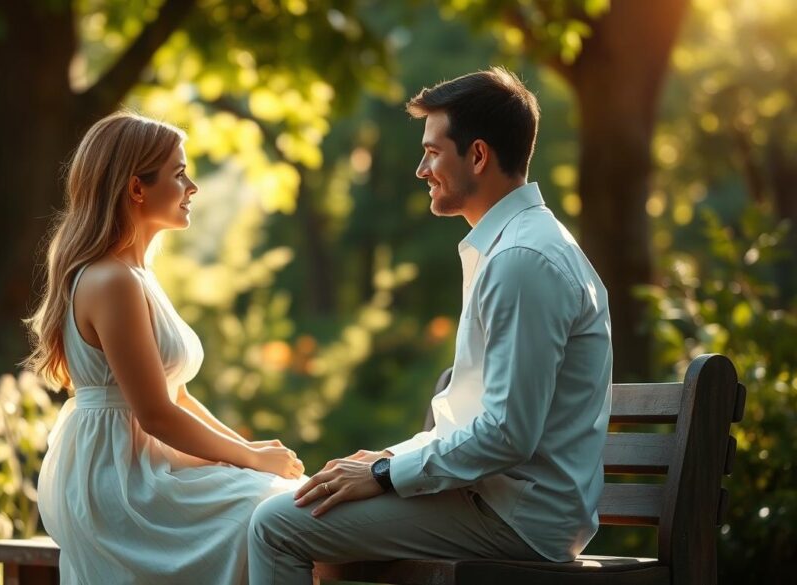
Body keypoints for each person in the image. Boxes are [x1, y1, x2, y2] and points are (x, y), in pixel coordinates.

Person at [248, 67, 613, 583]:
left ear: (479, 156)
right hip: (498, 500)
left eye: (433, 151)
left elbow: (509, 432)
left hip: (519, 518)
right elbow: (479, 418)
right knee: (326, 530)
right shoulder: (512, 247)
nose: (422, 168)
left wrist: (384, 474)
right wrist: (389, 458)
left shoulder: (523, 259)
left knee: (275, 525)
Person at [26, 111, 306, 584]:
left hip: (147, 461)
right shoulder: (112, 279)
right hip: (124, 480)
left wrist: (246, 448)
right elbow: (156, 414)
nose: (192, 186)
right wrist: (252, 461)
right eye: (179, 174)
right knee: (274, 510)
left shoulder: (135, 276)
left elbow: (177, 394)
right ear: (137, 188)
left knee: (285, 494)